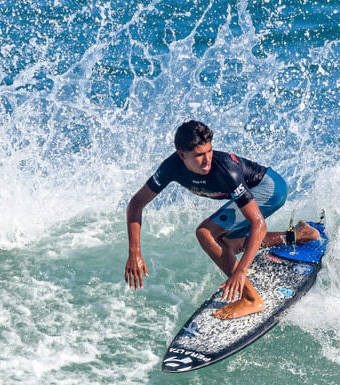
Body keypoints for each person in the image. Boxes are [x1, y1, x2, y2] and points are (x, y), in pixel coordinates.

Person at [124, 120, 320, 319]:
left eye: (209, 151)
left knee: (205, 233)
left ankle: (252, 299)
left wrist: (241, 271)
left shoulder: (225, 171)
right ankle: (301, 234)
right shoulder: (171, 168)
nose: (207, 159)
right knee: (228, 245)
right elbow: (136, 204)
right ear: (182, 155)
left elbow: (258, 224)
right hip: (255, 190)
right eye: (199, 155)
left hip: (269, 188)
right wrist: (135, 253)